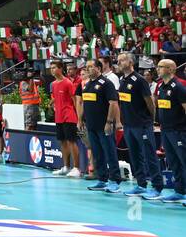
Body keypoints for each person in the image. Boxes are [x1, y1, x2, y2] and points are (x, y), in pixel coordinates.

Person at [115, 52, 160, 199]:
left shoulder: (140, 80)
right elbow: (122, 103)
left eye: (122, 60)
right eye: (118, 60)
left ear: (131, 62)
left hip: (142, 125)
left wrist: (151, 121)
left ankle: (157, 187)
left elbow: (150, 103)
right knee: (135, 156)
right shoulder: (122, 80)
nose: (119, 62)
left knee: (149, 156)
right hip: (129, 125)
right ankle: (141, 184)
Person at [79, 62, 121, 192]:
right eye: (87, 67)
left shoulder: (106, 83)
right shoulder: (87, 85)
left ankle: (115, 181)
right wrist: (80, 119)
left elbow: (113, 103)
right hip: (91, 126)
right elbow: (84, 103)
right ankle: (102, 180)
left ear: (98, 68)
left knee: (110, 152)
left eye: (91, 66)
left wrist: (109, 122)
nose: (88, 69)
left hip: (104, 126)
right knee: (97, 154)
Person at [153, 60, 186, 204]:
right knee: (173, 162)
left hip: (178, 131)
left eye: (161, 67)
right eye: (158, 66)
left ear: (171, 69)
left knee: (183, 161)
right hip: (165, 130)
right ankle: (179, 191)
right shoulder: (160, 86)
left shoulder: (179, 87)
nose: (157, 69)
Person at [47, 61, 81, 177]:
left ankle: (77, 168)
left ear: (60, 68)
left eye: (54, 68)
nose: (52, 70)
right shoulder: (54, 84)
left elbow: (75, 99)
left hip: (69, 116)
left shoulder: (68, 83)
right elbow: (56, 99)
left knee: (72, 142)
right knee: (62, 142)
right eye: (51, 68)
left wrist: (78, 117)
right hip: (59, 117)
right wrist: (51, 104)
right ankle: (66, 167)